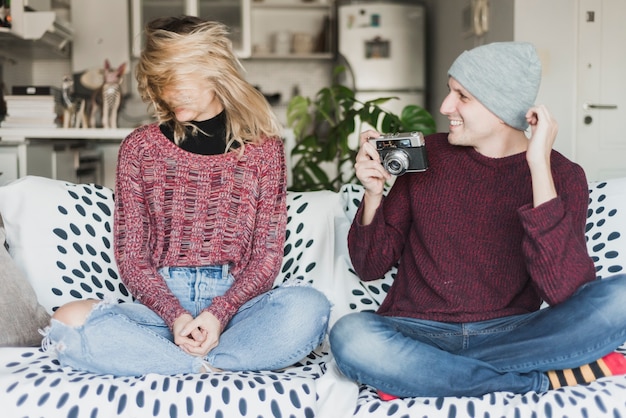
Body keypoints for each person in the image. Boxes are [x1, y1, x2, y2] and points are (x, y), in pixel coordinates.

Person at [329, 41, 626, 399]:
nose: (444, 106)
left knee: (620, 297)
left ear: (501, 108)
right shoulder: (426, 154)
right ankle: (533, 381)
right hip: (417, 329)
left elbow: (566, 293)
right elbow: (369, 265)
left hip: (513, 332)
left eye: (462, 96)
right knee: (351, 335)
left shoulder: (561, 174)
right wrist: (373, 193)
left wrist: (537, 167)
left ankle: (423, 372)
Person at [43, 15, 330, 376]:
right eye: (158, 83)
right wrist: (176, 316)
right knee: (67, 321)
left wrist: (218, 314)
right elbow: (132, 255)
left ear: (212, 68)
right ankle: (202, 365)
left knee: (310, 309)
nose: (165, 93)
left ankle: (174, 362)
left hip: (237, 312)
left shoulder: (263, 151)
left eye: (173, 80)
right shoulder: (140, 149)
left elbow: (266, 256)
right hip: (161, 310)